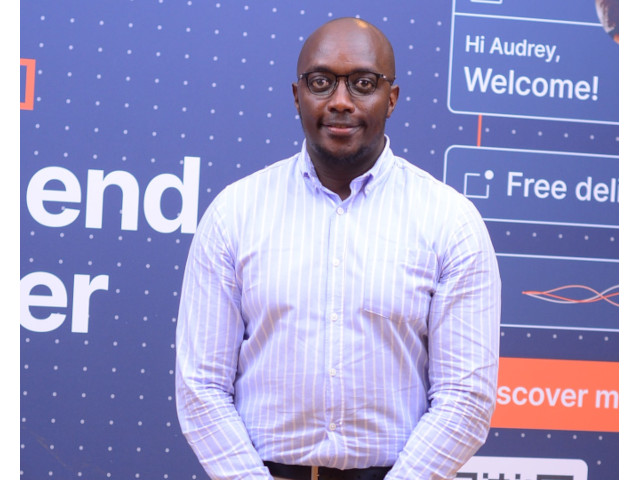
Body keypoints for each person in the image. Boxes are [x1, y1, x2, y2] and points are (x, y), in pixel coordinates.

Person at [176, 17, 501, 480]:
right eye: (321, 82)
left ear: (392, 98)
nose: (341, 101)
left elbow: (466, 399)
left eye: (363, 83)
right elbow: (201, 387)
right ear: (297, 96)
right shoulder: (234, 214)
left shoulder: (450, 222)